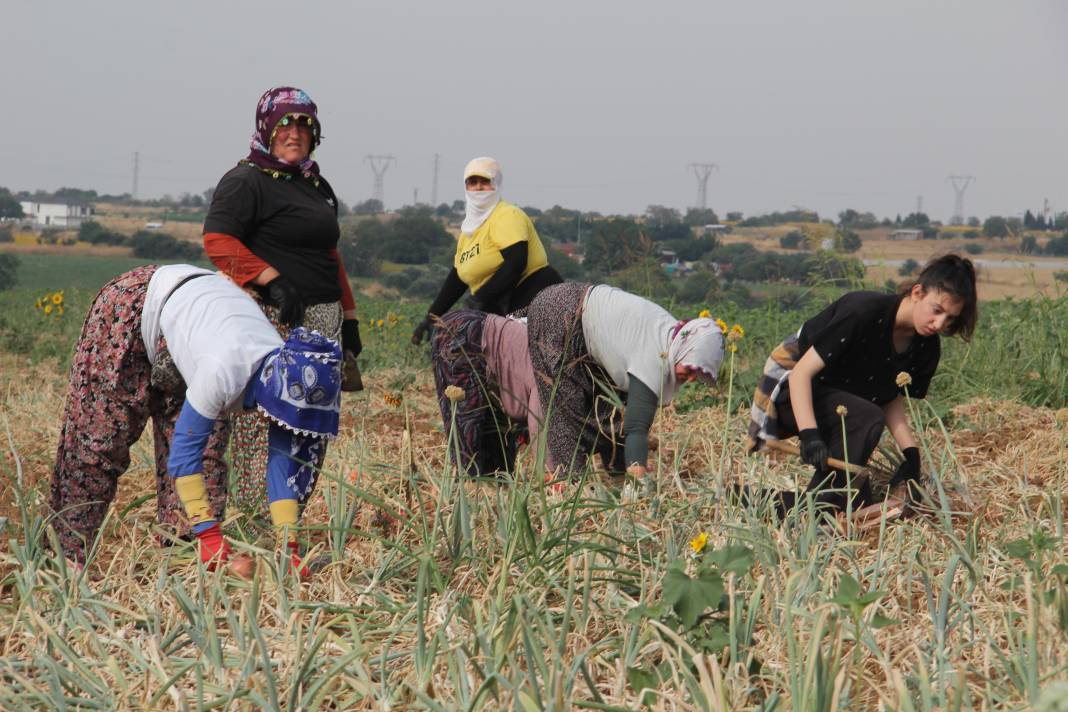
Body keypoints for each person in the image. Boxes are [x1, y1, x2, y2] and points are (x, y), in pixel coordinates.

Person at [49, 264, 342, 577]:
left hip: (200, 317)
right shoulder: (225, 369)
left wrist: (289, 546)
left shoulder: (290, 377)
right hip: (138, 305)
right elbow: (184, 452)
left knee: (209, 455)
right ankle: (64, 564)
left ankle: (185, 565)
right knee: (99, 442)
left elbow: (285, 459)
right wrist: (210, 532)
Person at [202, 86, 360, 527]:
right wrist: (272, 281)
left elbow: (330, 255)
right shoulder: (246, 179)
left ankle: (287, 527)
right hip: (273, 320)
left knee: (309, 426)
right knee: (265, 423)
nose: (295, 134)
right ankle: (255, 524)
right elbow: (218, 241)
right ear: (266, 130)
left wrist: (349, 319)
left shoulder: (314, 184)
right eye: (286, 125)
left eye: (305, 126)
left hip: (322, 323)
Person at [747, 254, 978, 512]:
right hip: (791, 391)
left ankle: (763, 502)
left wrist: (911, 455)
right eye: (937, 311)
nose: (939, 324)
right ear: (917, 293)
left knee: (857, 501)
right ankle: (810, 510)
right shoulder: (863, 312)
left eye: (950, 319)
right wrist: (810, 435)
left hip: (839, 403)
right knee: (867, 418)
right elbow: (801, 374)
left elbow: (890, 397)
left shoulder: (926, 346)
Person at [527, 282, 725, 479]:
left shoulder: (672, 337)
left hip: (578, 311)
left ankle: (617, 472)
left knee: (607, 408)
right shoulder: (655, 358)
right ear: (684, 348)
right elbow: (637, 426)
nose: (690, 378)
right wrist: (638, 473)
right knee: (566, 408)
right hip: (558, 314)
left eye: (699, 375)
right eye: (690, 368)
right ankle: (571, 483)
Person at [411, 157, 562, 343]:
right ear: (466, 186)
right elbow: (458, 278)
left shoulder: (507, 215)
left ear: (496, 184)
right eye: (472, 182)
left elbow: (516, 262)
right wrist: (432, 317)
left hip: (535, 296)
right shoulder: (469, 231)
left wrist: (480, 298)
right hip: (500, 306)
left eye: (485, 182)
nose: (479, 187)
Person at [430, 310, 541, 477]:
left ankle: (490, 482)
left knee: (490, 431)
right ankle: (468, 482)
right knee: (467, 422)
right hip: (468, 336)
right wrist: (552, 471)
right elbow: (539, 425)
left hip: (480, 333)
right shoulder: (547, 376)